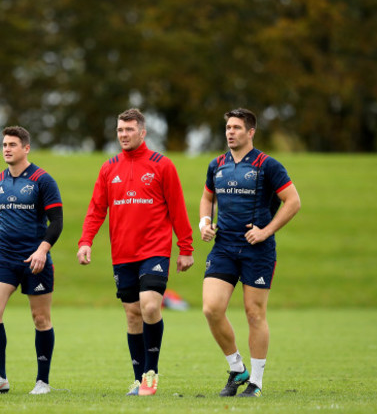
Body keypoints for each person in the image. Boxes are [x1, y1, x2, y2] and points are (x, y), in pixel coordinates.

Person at [77, 108, 194, 396]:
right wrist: (85, 241)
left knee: (150, 306)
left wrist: (186, 248)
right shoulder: (108, 167)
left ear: (143, 132)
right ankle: (138, 378)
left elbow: (178, 209)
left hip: (154, 250)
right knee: (132, 314)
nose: (124, 135)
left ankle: (151, 375)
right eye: (120, 130)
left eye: (129, 130)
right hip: (123, 253)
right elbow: (96, 209)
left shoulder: (162, 165)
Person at [199, 108, 301, 398]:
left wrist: (266, 231)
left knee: (254, 314)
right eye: (228, 127)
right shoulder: (216, 164)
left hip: (258, 250)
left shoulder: (268, 165)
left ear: (251, 132)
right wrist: (205, 223)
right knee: (211, 308)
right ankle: (237, 367)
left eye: (237, 128)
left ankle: (255, 382)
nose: (230, 132)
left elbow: (293, 201)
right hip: (224, 247)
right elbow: (207, 198)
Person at [0, 126, 63, 395]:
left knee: (40, 318)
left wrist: (42, 250)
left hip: (34, 259)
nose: (6, 148)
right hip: (3, 258)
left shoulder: (43, 180)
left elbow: (57, 221)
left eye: (12, 144)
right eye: (4, 144)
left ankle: (42, 381)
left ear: (26, 148)